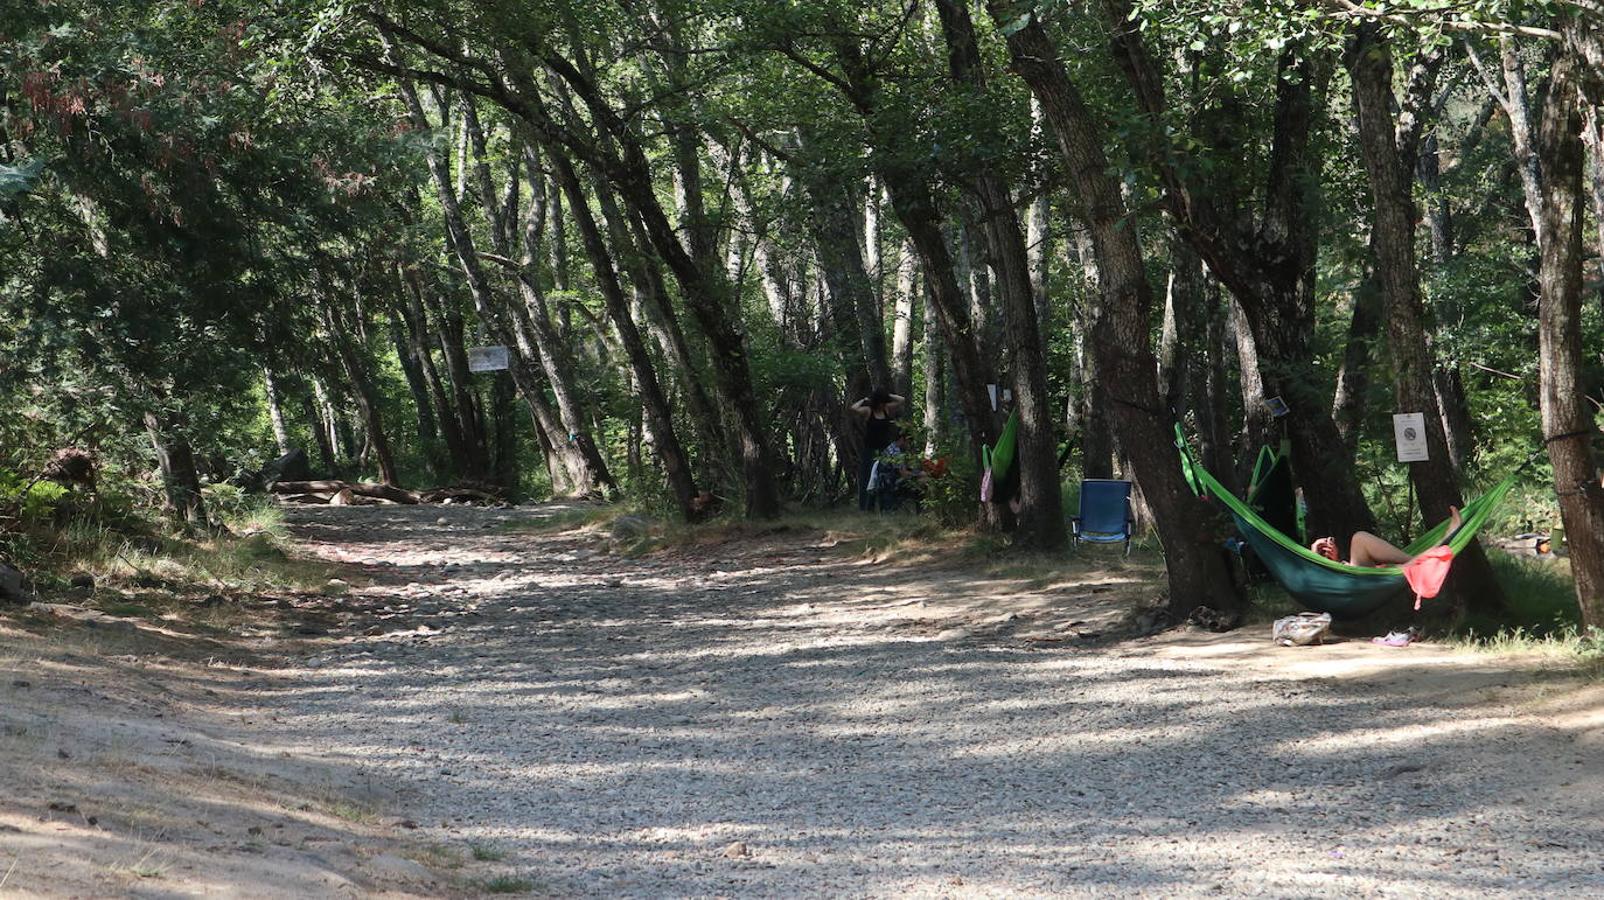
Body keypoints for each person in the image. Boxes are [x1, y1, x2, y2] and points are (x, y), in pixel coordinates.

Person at [1311, 506, 1461, 567]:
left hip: (1351, 578)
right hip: (1352, 584)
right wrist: (1313, 554)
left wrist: (1335, 560)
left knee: (1359, 539)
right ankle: (1417, 561)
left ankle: (1417, 560)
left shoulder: (1327, 579)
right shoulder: (1315, 581)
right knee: (1359, 539)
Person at [851, 388, 904, 511]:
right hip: (870, 448)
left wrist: (887, 395)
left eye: (884, 402)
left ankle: (885, 506)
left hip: (884, 449)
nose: (882, 404)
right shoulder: (868, 411)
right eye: (881, 402)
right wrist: (864, 400)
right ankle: (866, 506)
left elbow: (902, 400)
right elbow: (853, 408)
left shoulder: (886, 409)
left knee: (884, 476)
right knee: (868, 476)